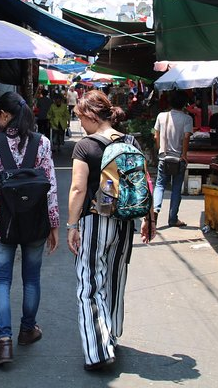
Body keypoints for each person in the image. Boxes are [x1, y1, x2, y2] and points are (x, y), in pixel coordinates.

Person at [66, 90, 155, 371]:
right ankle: (111, 335)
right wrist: (149, 219)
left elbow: (78, 189)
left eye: (81, 118)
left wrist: (71, 225)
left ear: (92, 115)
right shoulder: (130, 141)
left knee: (89, 285)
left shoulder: (86, 146)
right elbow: (145, 182)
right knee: (116, 279)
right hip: (126, 223)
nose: (81, 124)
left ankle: (98, 351)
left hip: (96, 221)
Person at [0, 91, 60, 366]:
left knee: (2, 280)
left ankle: (4, 342)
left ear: (6, 115)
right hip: (35, 223)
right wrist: (54, 225)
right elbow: (50, 187)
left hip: (2, 224)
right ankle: (27, 330)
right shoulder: (42, 142)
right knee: (31, 279)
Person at [153, 90, 193, 228]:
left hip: (164, 157)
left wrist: (160, 150)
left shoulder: (161, 116)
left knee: (159, 186)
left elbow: (156, 136)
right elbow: (187, 137)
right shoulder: (187, 118)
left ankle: (155, 211)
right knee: (176, 188)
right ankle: (173, 219)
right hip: (178, 159)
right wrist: (184, 155)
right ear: (184, 104)